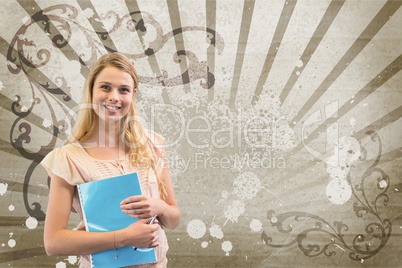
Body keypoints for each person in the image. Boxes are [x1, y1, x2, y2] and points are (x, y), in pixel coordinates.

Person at [41, 52, 180, 268]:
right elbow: (53, 243)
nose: (114, 96)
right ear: (91, 90)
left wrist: (159, 207)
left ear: (133, 94)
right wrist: (125, 237)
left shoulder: (152, 145)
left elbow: (173, 219)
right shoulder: (68, 159)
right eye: (105, 87)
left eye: (123, 90)